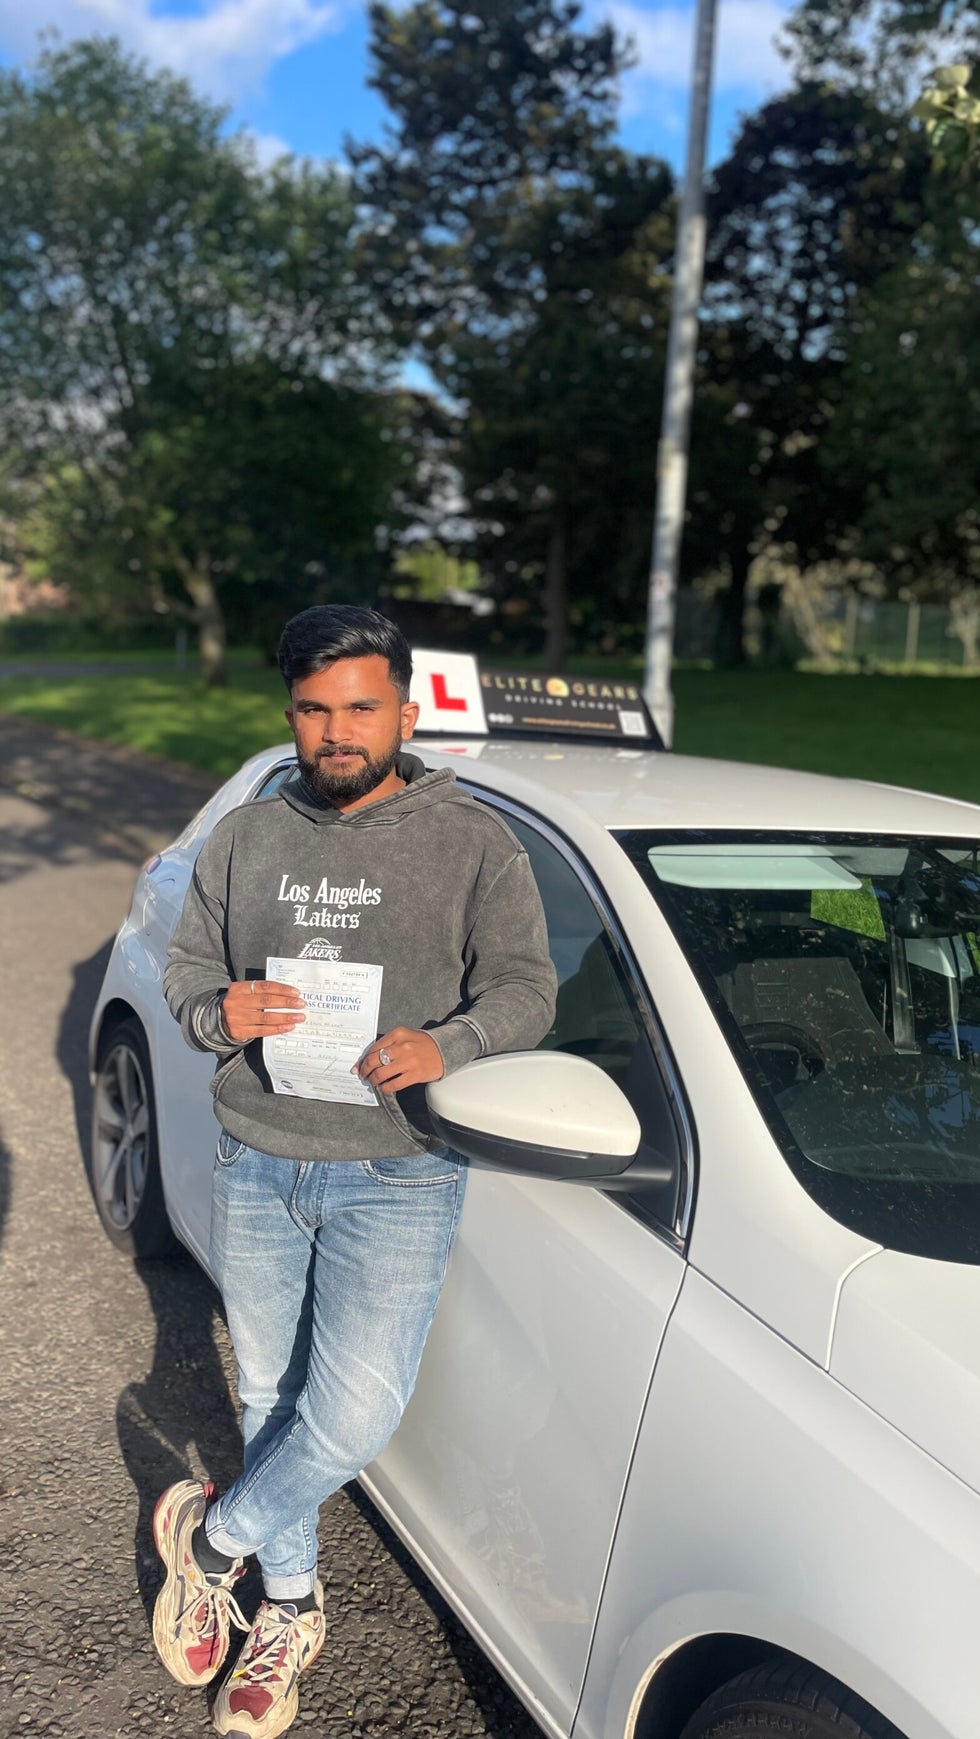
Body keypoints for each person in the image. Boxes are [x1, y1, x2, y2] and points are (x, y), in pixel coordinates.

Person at [155, 605, 557, 1738]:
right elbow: (188, 972)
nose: (338, 731)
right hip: (258, 1151)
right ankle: (288, 1605)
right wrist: (220, 1010)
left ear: (405, 712)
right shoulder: (246, 835)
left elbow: (528, 987)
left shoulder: (474, 841)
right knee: (267, 1394)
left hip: (399, 1169)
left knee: (353, 1416)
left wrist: (452, 1044)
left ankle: (210, 1540)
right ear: (292, 713)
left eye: (361, 707)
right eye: (314, 709)